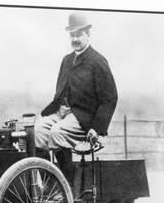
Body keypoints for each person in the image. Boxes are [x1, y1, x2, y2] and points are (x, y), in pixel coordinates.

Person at [35, 12, 118, 171]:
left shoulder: (97, 61)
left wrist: (96, 127)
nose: (75, 39)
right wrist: (58, 109)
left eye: (79, 35)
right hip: (62, 113)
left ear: (88, 34)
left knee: (56, 133)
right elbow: (60, 92)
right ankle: (50, 186)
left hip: (83, 118)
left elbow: (109, 98)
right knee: (38, 132)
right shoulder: (66, 60)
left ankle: (67, 186)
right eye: (72, 35)